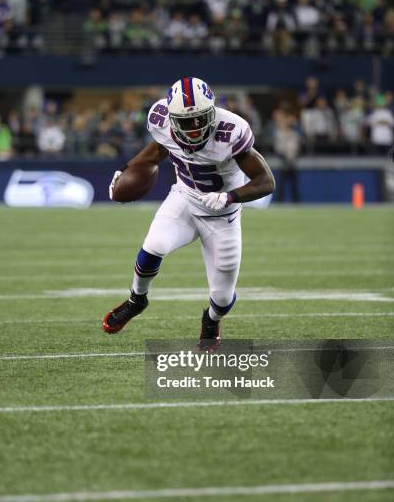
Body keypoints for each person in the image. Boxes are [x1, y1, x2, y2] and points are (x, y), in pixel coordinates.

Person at [103, 77, 275, 349]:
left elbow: (266, 181)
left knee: (222, 297)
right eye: (186, 121)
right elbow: (158, 150)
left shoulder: (231, 130)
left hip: (222, 213)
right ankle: (137, 300)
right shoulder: (161, 120)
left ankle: (210, 320)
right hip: (184, 197)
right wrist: (126, 169)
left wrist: (229, 196)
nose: (194, 128)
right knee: (154, 245)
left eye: (200, 119)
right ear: (172, 119)